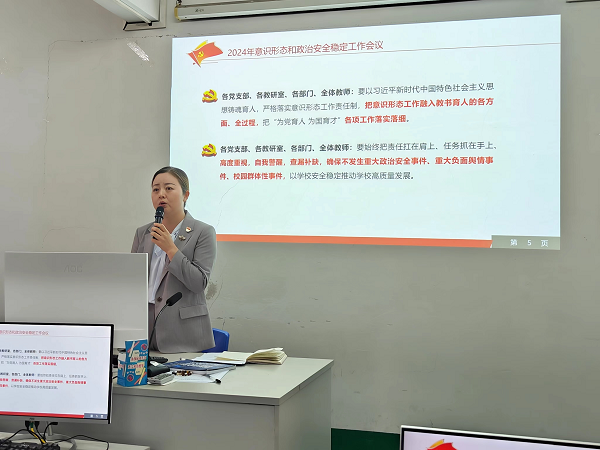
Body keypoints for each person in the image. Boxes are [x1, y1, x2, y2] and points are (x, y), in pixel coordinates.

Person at [131, 166, 217, 353]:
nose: (161, 194)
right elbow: (132, 280)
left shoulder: (203, 232)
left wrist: (171, 249)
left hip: (182, 333)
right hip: (143, 329)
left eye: (169, 188)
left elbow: (198, 283)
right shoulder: (143, 233)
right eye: (155, 189)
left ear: (186, 195)